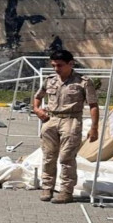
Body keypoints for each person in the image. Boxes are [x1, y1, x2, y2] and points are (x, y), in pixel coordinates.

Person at [32, 49, 99, 204]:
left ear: (71, 63)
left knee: (66, 158)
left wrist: (94, 127)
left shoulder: (83, 82)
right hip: (51, 120)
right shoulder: (50, 80)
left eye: (60, 65)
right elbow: (38, 97)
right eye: (54, 65)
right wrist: (37, 110)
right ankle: (47, 187)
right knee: (48, 156)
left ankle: (66, 191)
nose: (56, 69)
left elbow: (93, 105)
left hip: (71, 121)